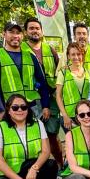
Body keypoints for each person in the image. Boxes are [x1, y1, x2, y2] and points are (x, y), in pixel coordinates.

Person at [0, 21, 51, 117]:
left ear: (22, 35)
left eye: (18, 33)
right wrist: (1, 110)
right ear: (4, 34)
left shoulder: (31, 56)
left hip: (33, 107)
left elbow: (42, 82)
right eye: (11, 32)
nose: (15, 36)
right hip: (11, 108)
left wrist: (45, 106)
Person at [23, 18, 63, 166]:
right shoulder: (21, 50)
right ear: (26, 32)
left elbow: (59, 71)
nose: (35, 31)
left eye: (37, 28)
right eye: (31, 28)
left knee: (52, 133)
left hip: (51, 97)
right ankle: (37, 166)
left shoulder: (49, 49)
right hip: (30, 99)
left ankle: (60, 164)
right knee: (33, 134)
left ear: (42, 31)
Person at [56, 42, 90, 131]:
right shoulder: (63, 72)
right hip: (69, 117)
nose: (76, 57)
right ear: (68, 56)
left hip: (85, 116)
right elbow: (58, 96)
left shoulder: (88, 72)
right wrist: (65, 116)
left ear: (82, 55)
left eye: (78, 54)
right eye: (73, 54)